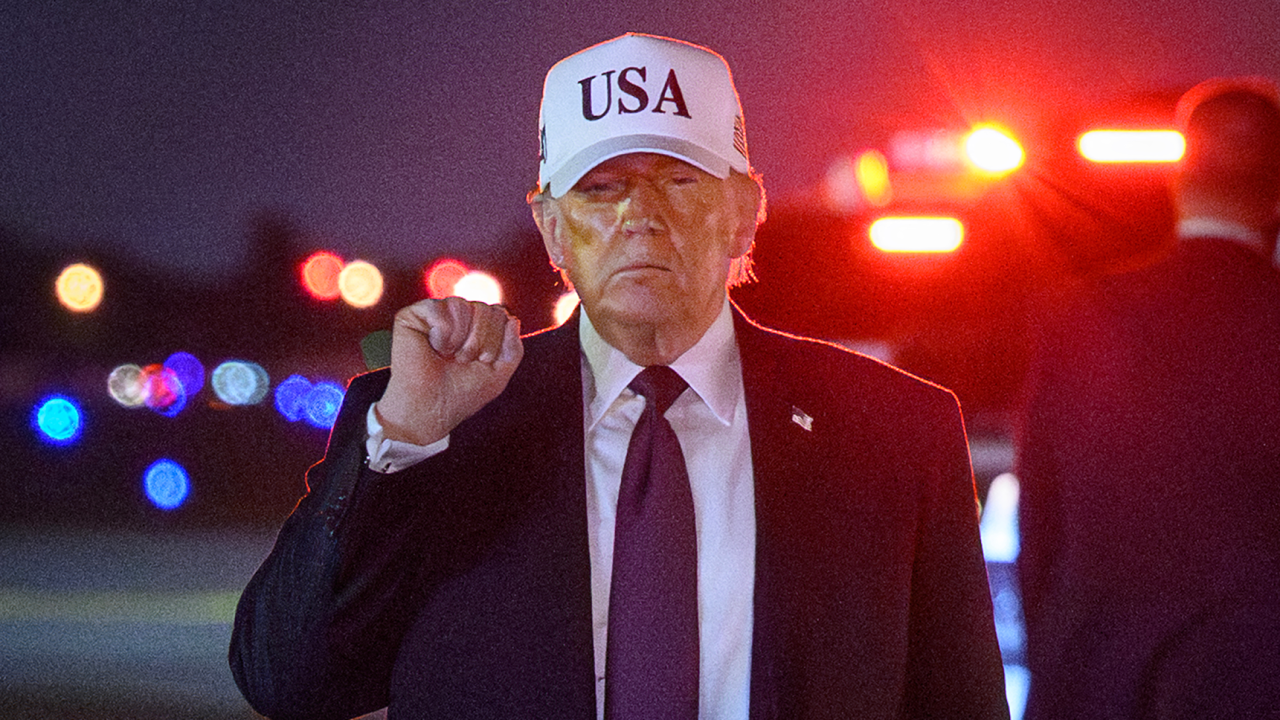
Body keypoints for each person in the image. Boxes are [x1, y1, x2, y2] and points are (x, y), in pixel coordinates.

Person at [230, 32, 1008, 720]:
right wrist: (402, 440)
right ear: (551, 229)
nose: (641, 215)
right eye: (601, 188)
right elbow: (288, 683)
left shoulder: (898, 433)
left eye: (678, 179)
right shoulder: (443, 423)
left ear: (745, 211)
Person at [1015, 77, 1280, 720]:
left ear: (1176, 183)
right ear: (1276, 196)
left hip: (1096, 681)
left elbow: (1041, 524)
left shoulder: (1080, 314)